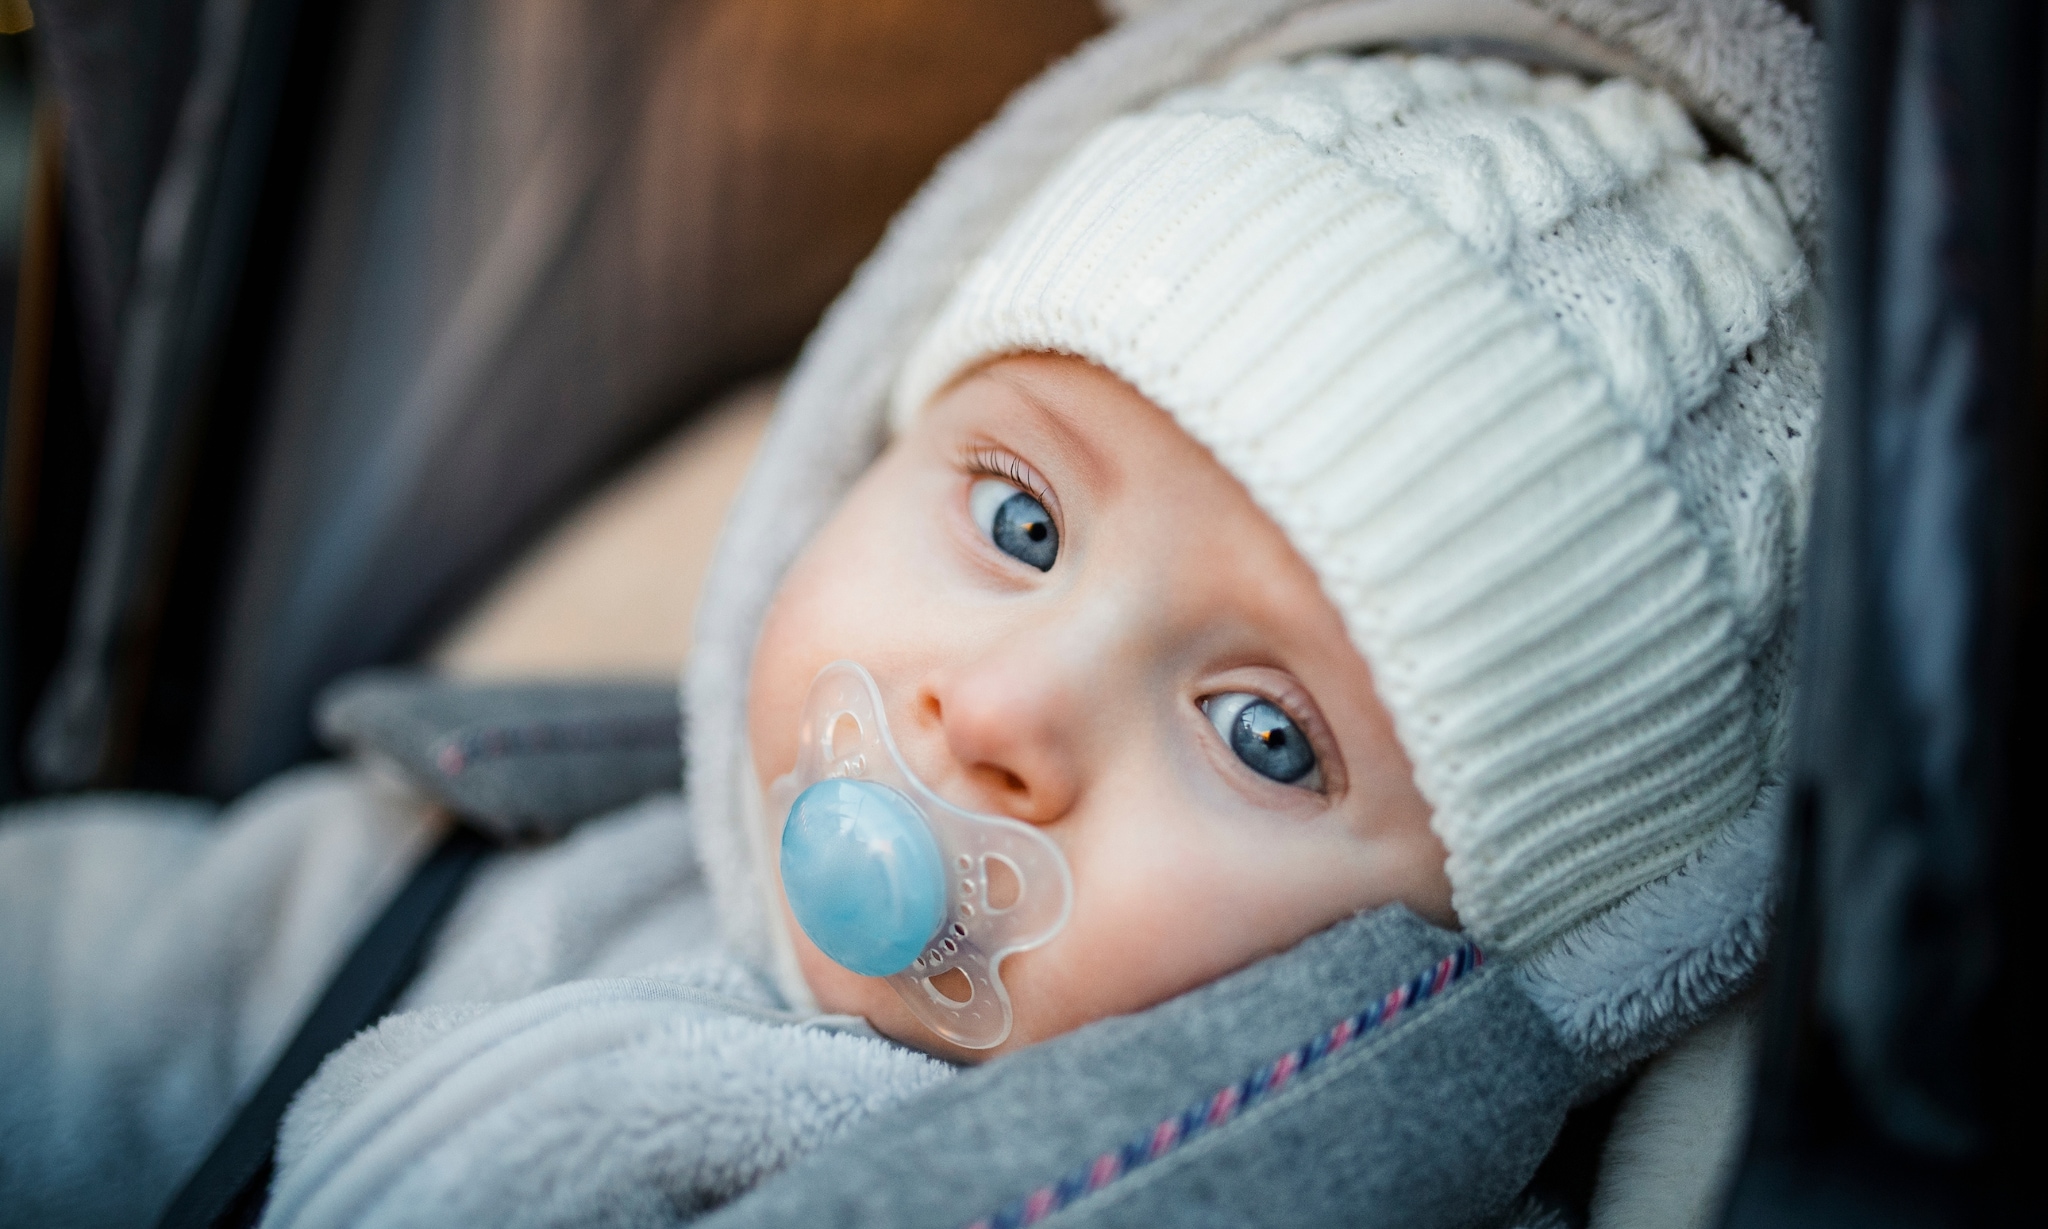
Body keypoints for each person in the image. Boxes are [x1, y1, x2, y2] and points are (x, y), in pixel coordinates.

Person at [0, 4, 1822, 1227]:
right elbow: (105, 994)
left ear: (1510, 965)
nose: (1002, 710)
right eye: (1020, 517)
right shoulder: (492, 862)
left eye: (1266, 732)